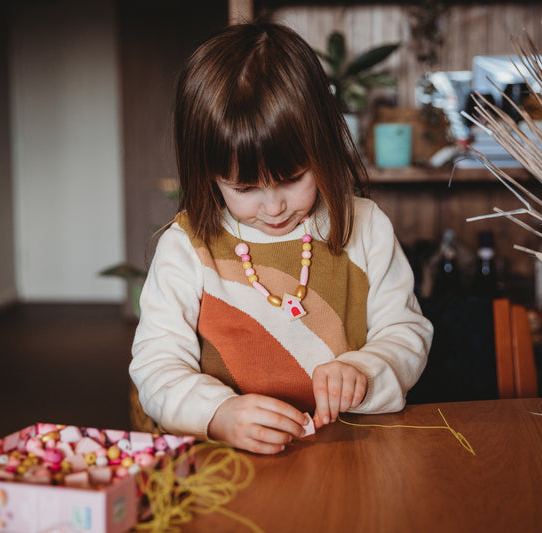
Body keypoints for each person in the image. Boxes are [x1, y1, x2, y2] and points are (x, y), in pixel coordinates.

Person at [130, 21, 433, 455]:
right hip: (230, 463)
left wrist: (365, 369)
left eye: (292, 179)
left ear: (323, 148)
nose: (273, 208)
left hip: (350, 453)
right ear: (209, 175)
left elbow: (407, 332)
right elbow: (157, 367)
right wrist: (218, 415)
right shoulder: (186, 247)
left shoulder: (366, 226)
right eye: (245, 188)